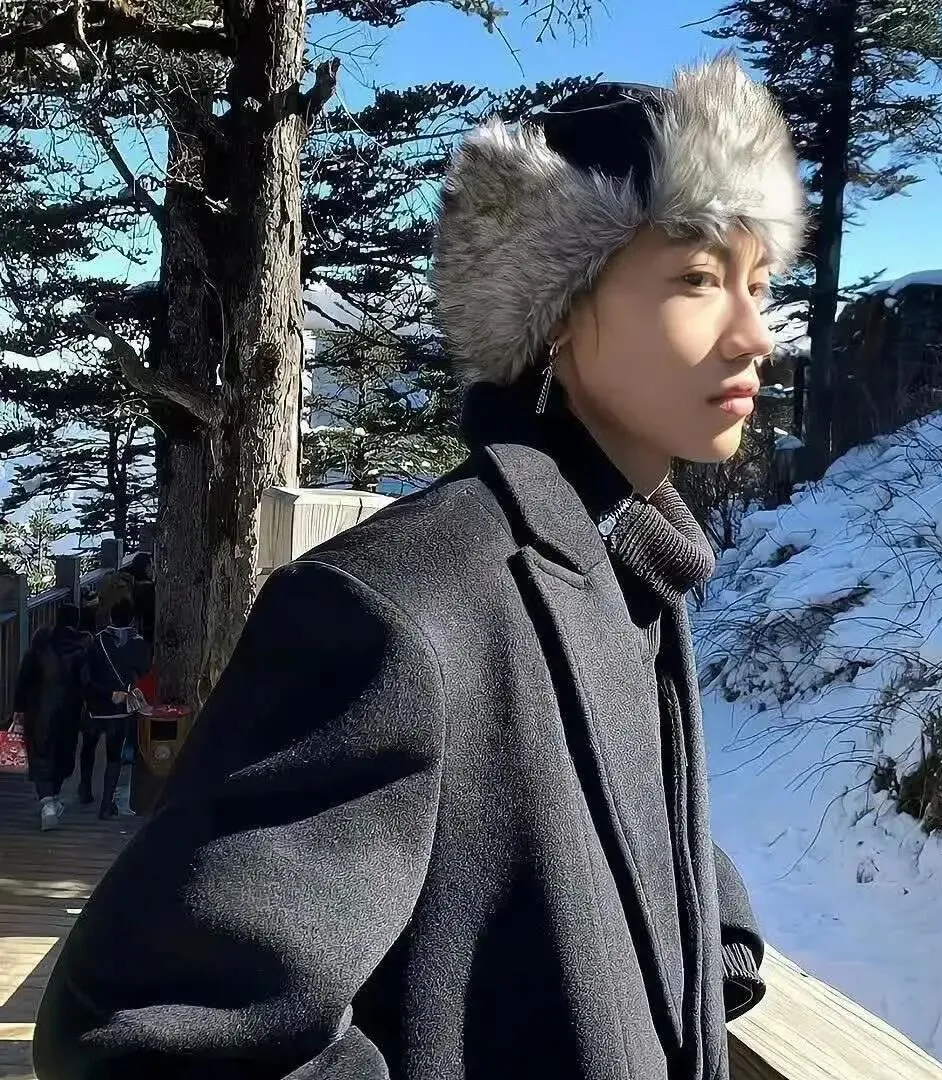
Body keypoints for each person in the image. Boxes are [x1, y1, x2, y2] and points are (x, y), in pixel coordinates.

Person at [34, 56, 804, 1080]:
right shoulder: (400, 609)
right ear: (556, 308)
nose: (755, 335)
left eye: (759, 284)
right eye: (699, 280)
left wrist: (707, 944)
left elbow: (580, 820)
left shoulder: (621, 565)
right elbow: (147, 1030)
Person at [11, 603, 90, 831]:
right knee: (64, 753)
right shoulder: (83, 647)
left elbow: (25, 677)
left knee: (41, 754)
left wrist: (19, 708)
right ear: (76, 621)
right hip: (70, 711)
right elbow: (87, 682)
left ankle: (47, 802)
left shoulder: (41, 643)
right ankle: (53, 798)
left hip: (39, 709)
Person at [77, 597, 151, 819]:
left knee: (88, 749)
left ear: (111, 617)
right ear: (132, 619)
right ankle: (106, 804)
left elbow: (85, 677)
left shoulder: (97, 642)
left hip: (95, 706)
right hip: (119, 709)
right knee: (113, 757)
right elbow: (144, 669)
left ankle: (85, 788)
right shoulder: (137, 643)